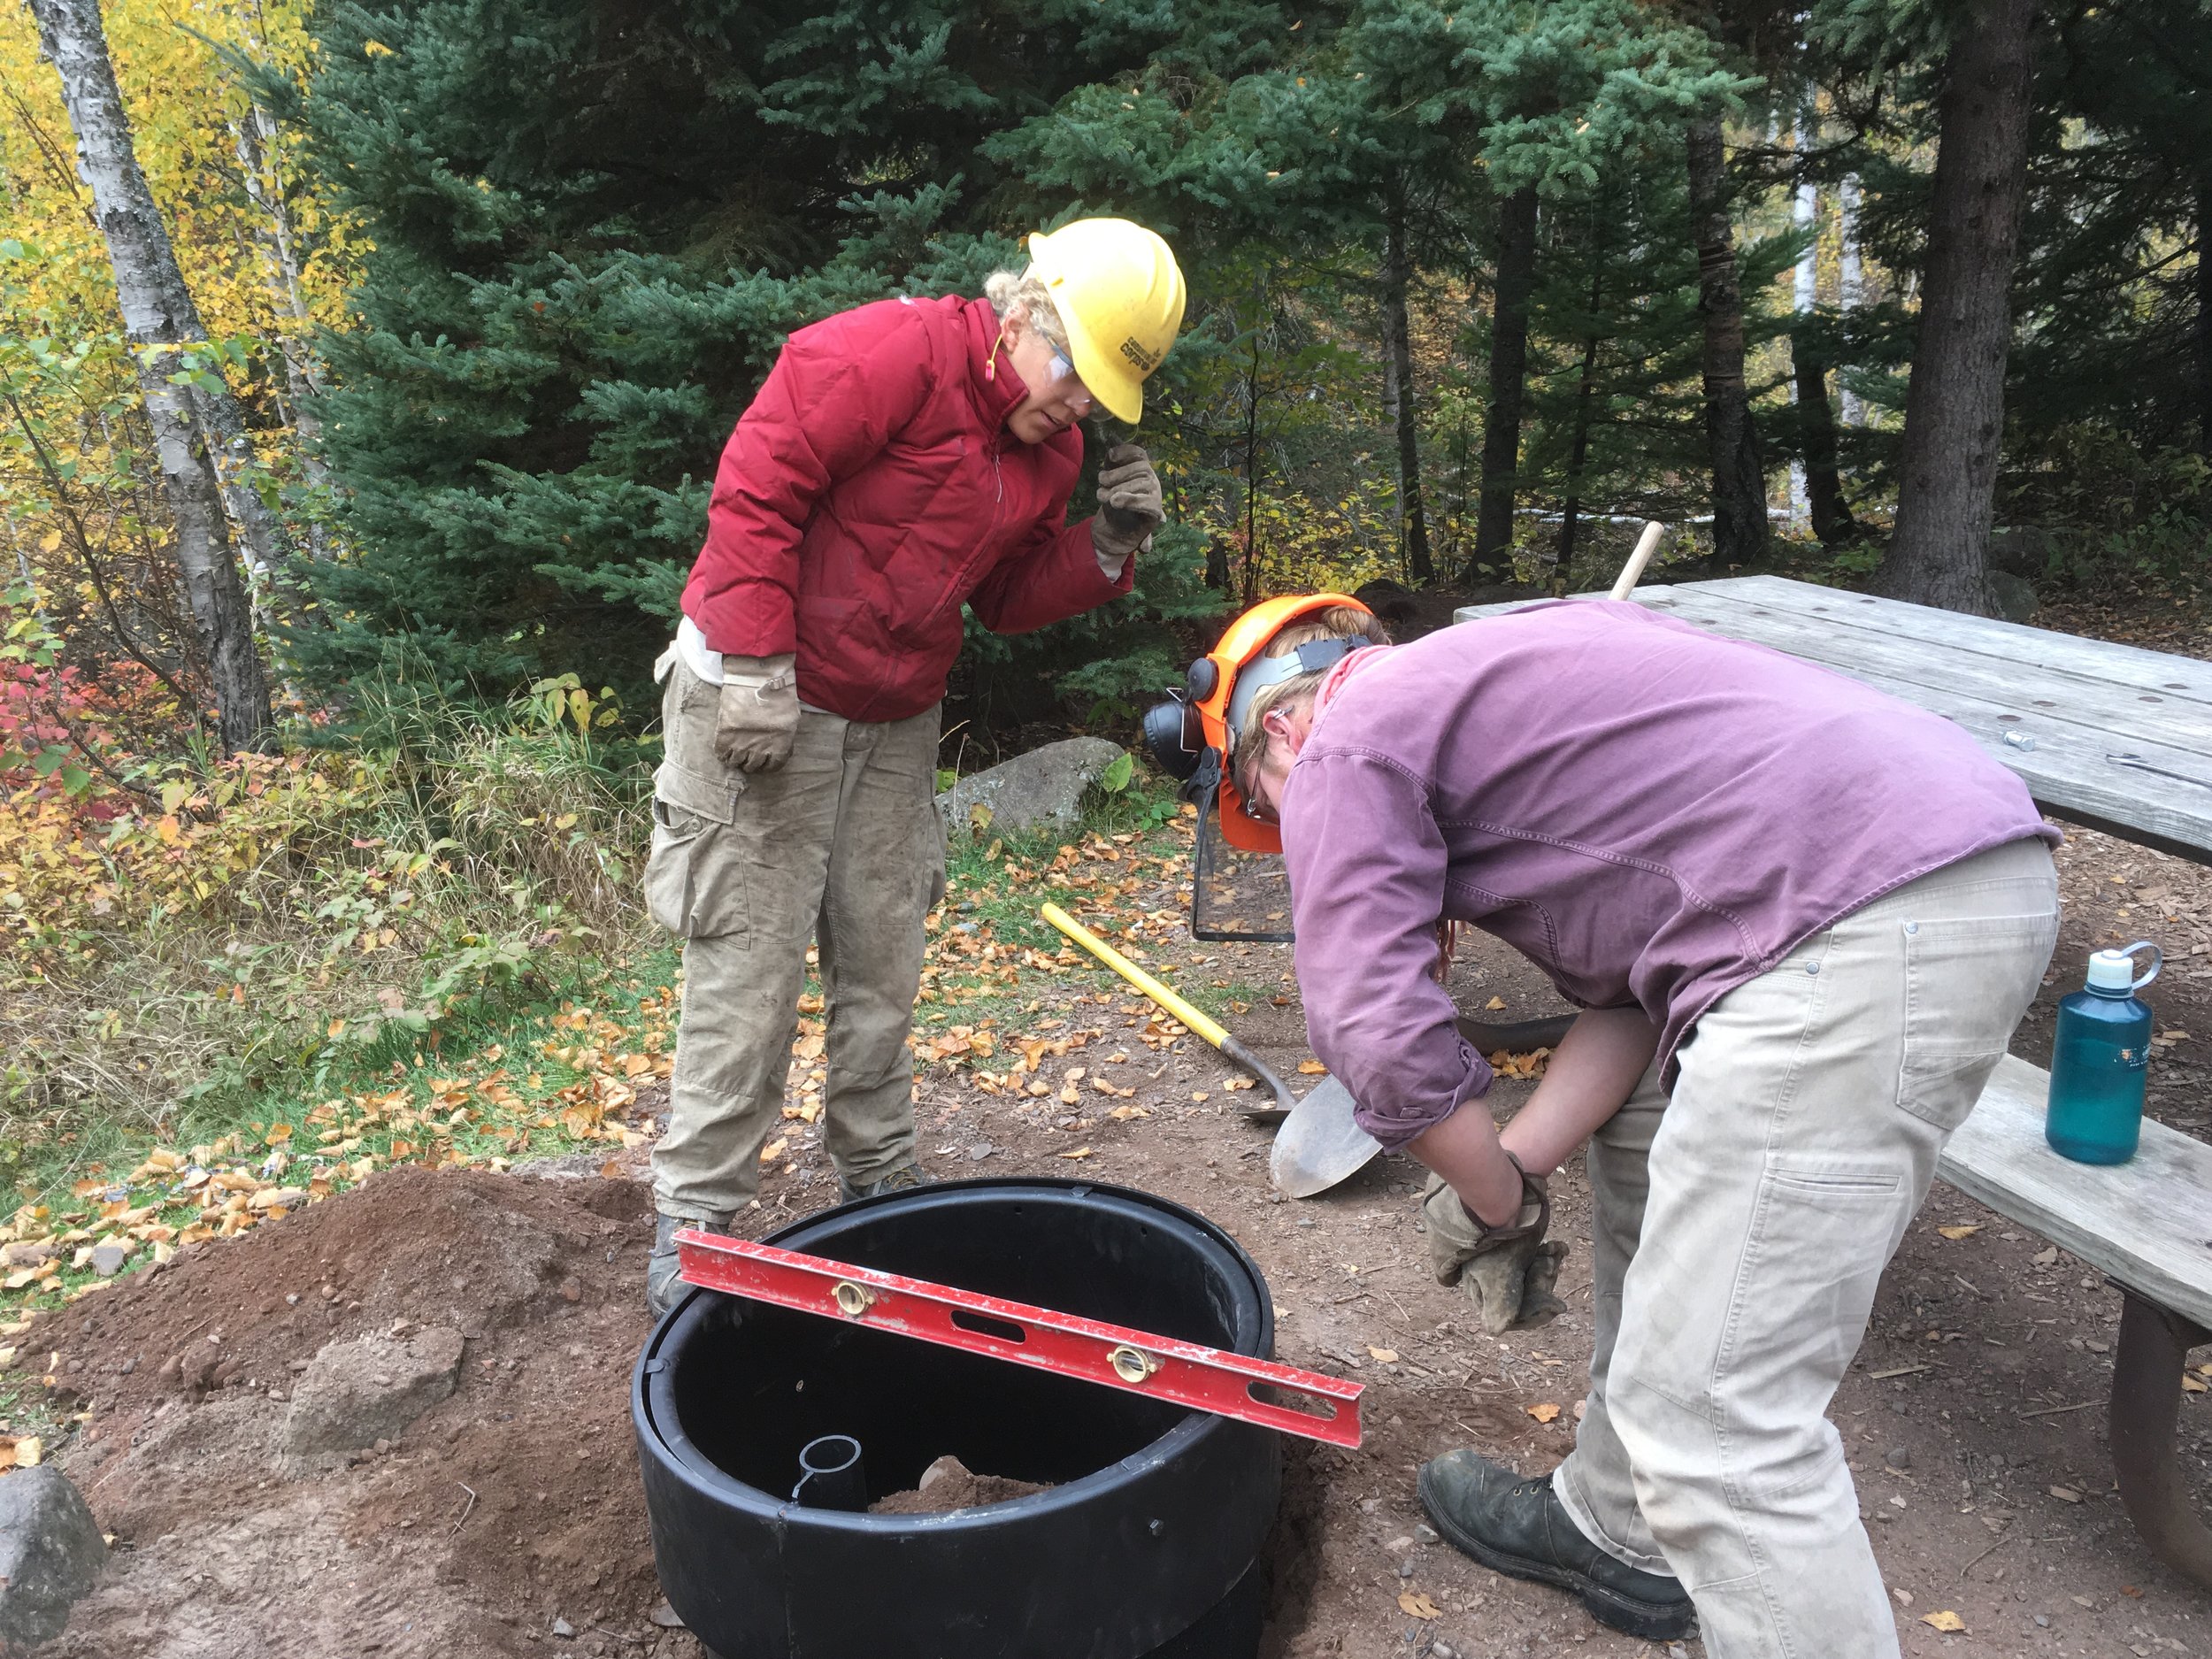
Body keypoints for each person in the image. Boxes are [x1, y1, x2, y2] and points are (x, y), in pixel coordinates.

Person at [1211, 595, 2060, 1655]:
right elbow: (1630, 1000)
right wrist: (1513, 1163)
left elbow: (1373, 1036)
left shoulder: (1341, 735)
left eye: (1272, 807)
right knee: (1642, 1144)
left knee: (1716, 1429)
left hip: (1849, 923)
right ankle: (1618, 1528)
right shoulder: (1513, 673)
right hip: (1954, 865)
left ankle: (1671, 1510)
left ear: (1278, 730)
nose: (1299, 841)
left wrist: (1495, 1204)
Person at [641, 219, 1187, 1317]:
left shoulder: (1054, 453)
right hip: (763, 693)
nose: (1081, 405)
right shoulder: (885, 355)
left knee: (884, 947)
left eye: (1101, 396)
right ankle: (696, 1220)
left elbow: (1004, 598)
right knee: (750, 961)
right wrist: (753, 661)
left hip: (892, 716)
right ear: (1029, 312)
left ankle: (879, 1169)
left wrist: (1106, 549)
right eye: (1076, 373)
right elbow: (757, 489)